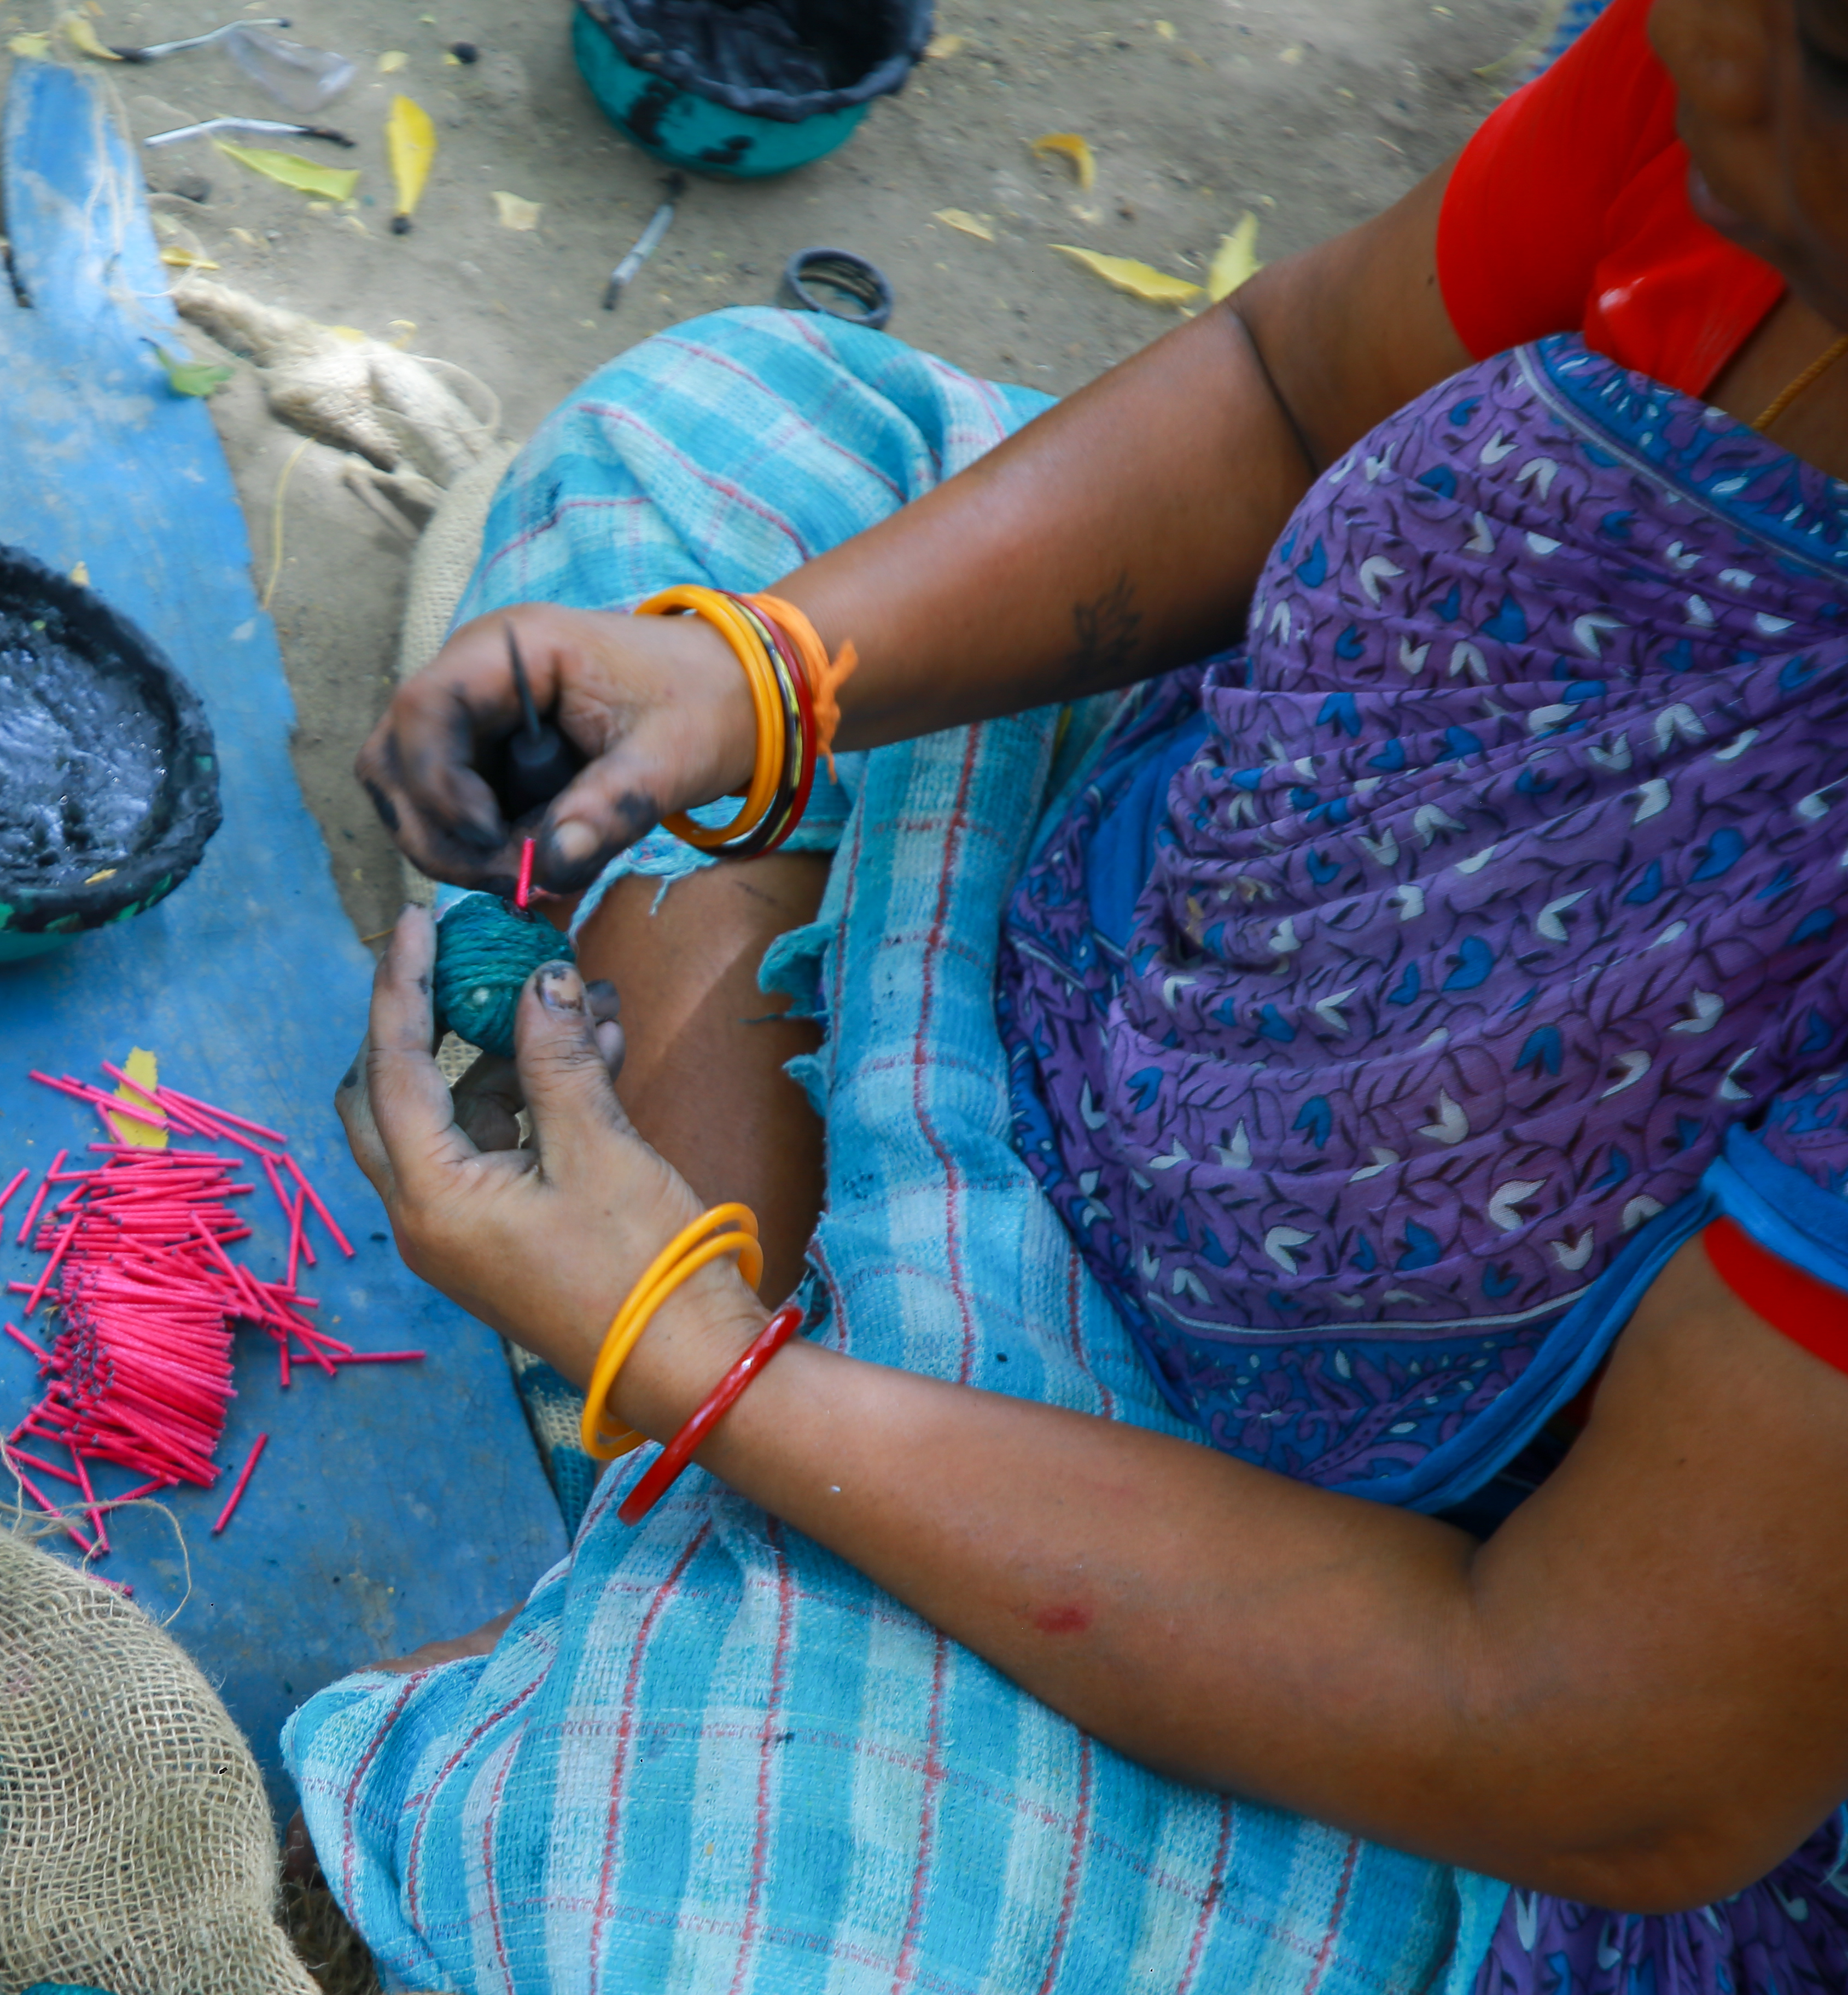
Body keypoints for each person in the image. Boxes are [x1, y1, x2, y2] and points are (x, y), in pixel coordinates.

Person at [291, 0, 1848, 1988]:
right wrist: (764, 677)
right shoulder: (1719, 75)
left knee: (733, 1930)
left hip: (1376, 1576)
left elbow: (1575, 1731)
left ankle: (735, 1515)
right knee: (724, 430)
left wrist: (693, 1363)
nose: (1707, 28)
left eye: (1818, 51)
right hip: (1125, 963)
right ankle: (756, 1524)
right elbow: (1296, 389)